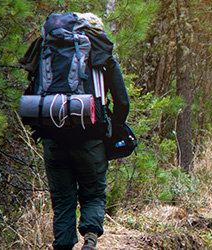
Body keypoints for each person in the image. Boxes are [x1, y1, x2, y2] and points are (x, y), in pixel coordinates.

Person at [20, 13, 130, 250]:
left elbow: (32, 85)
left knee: (62, 200)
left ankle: (63, 245)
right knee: (93, 194)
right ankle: (90, 239)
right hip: (90, 137)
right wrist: (115, 128)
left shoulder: (45, 46)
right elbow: (122, 101)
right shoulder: (101, 51)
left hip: (52, 136)